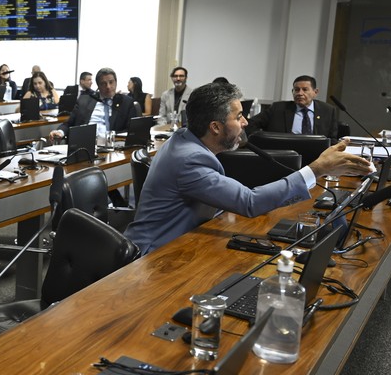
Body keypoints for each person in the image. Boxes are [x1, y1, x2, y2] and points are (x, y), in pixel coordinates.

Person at [124, 82, 373, 255]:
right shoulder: (190, 160)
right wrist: (316, 169)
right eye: (238, 116)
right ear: (215, 127)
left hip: (182, 242)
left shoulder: (186, 138)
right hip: (153, 256)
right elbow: (249, 202)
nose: (245, 122)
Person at [49, 68, 133, 141]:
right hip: (84, 143)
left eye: (111, 82)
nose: (108, 86)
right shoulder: (84, 100)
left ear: (116, 82)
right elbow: (69, 123)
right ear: (98, 86)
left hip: (113, 145)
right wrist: (60, 132)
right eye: (103, 84)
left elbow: (131, 130)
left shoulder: (126, 103)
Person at [246, 75, 340, 139]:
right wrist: (263, 140)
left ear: (315, 92)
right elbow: (250, 124)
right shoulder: (277, 108)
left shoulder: (328, 110)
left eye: (305, 90)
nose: (300, 93)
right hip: (285, 153)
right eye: (296, 90)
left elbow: (332, 139)